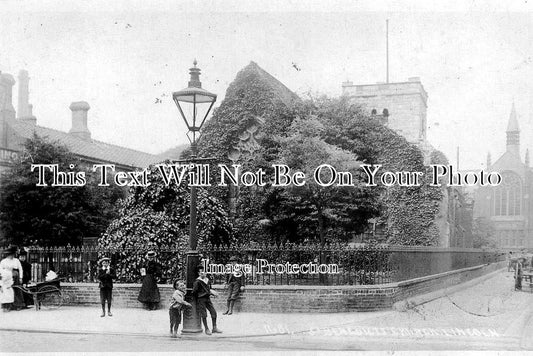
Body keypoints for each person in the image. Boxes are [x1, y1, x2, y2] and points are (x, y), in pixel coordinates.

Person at [192, 265, 222, 335]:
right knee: (204, 314)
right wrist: (199, 297)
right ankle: (206, 329)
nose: (203, 274)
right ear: (198, 273)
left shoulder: (207, 280)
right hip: (201, 299)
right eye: (201, 272)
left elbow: (209, 289)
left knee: (213, 312)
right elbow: (194, 291)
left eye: (204, 272)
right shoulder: (197, 282)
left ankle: (214, 328)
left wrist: (211, 293)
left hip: (207, 299)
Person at [0, 246, 24, 311]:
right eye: (10, 254)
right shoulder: (3, 261)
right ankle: (7, 306)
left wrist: (21, 277)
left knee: (16, 289)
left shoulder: (16, 260)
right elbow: (0, 270)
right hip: (6, 277)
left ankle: (18, 305)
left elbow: (20, 269)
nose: (11, 256)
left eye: (12, 254)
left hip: (15, 276)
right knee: (7, 290)